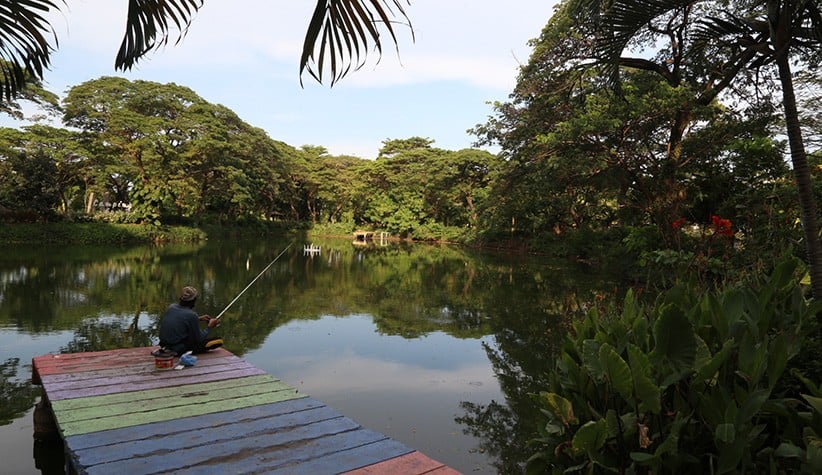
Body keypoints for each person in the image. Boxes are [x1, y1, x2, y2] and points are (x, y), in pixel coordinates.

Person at [157, 286, 222, 355]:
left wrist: (198, 318)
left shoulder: (171, 307)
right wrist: (209, 327)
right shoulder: (191, 315)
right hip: (178, 349)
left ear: (180, 298)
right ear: (194, 301)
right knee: (219, 341)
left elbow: (180, 320)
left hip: (163, 345)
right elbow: (199, 339)